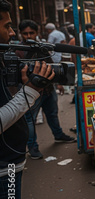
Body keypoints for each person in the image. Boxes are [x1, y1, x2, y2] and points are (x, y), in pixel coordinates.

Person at [0, 0, 55, 199]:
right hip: (4, 168)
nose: (12, 33)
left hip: (10, 162)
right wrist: (31, 90)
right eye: (7, 25)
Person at [19, 20, 76, 159]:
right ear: (21, 34)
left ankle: (58, 135)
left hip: (48, 89)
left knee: (52, 114)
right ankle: (33, 148)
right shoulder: (18, 50)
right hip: (30, 92)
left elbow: (51, 65)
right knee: (30, 120)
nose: (28, 36)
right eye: (25, 33)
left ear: (36, 33)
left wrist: (59, 83)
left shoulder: (41, 48)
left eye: (31, 33)